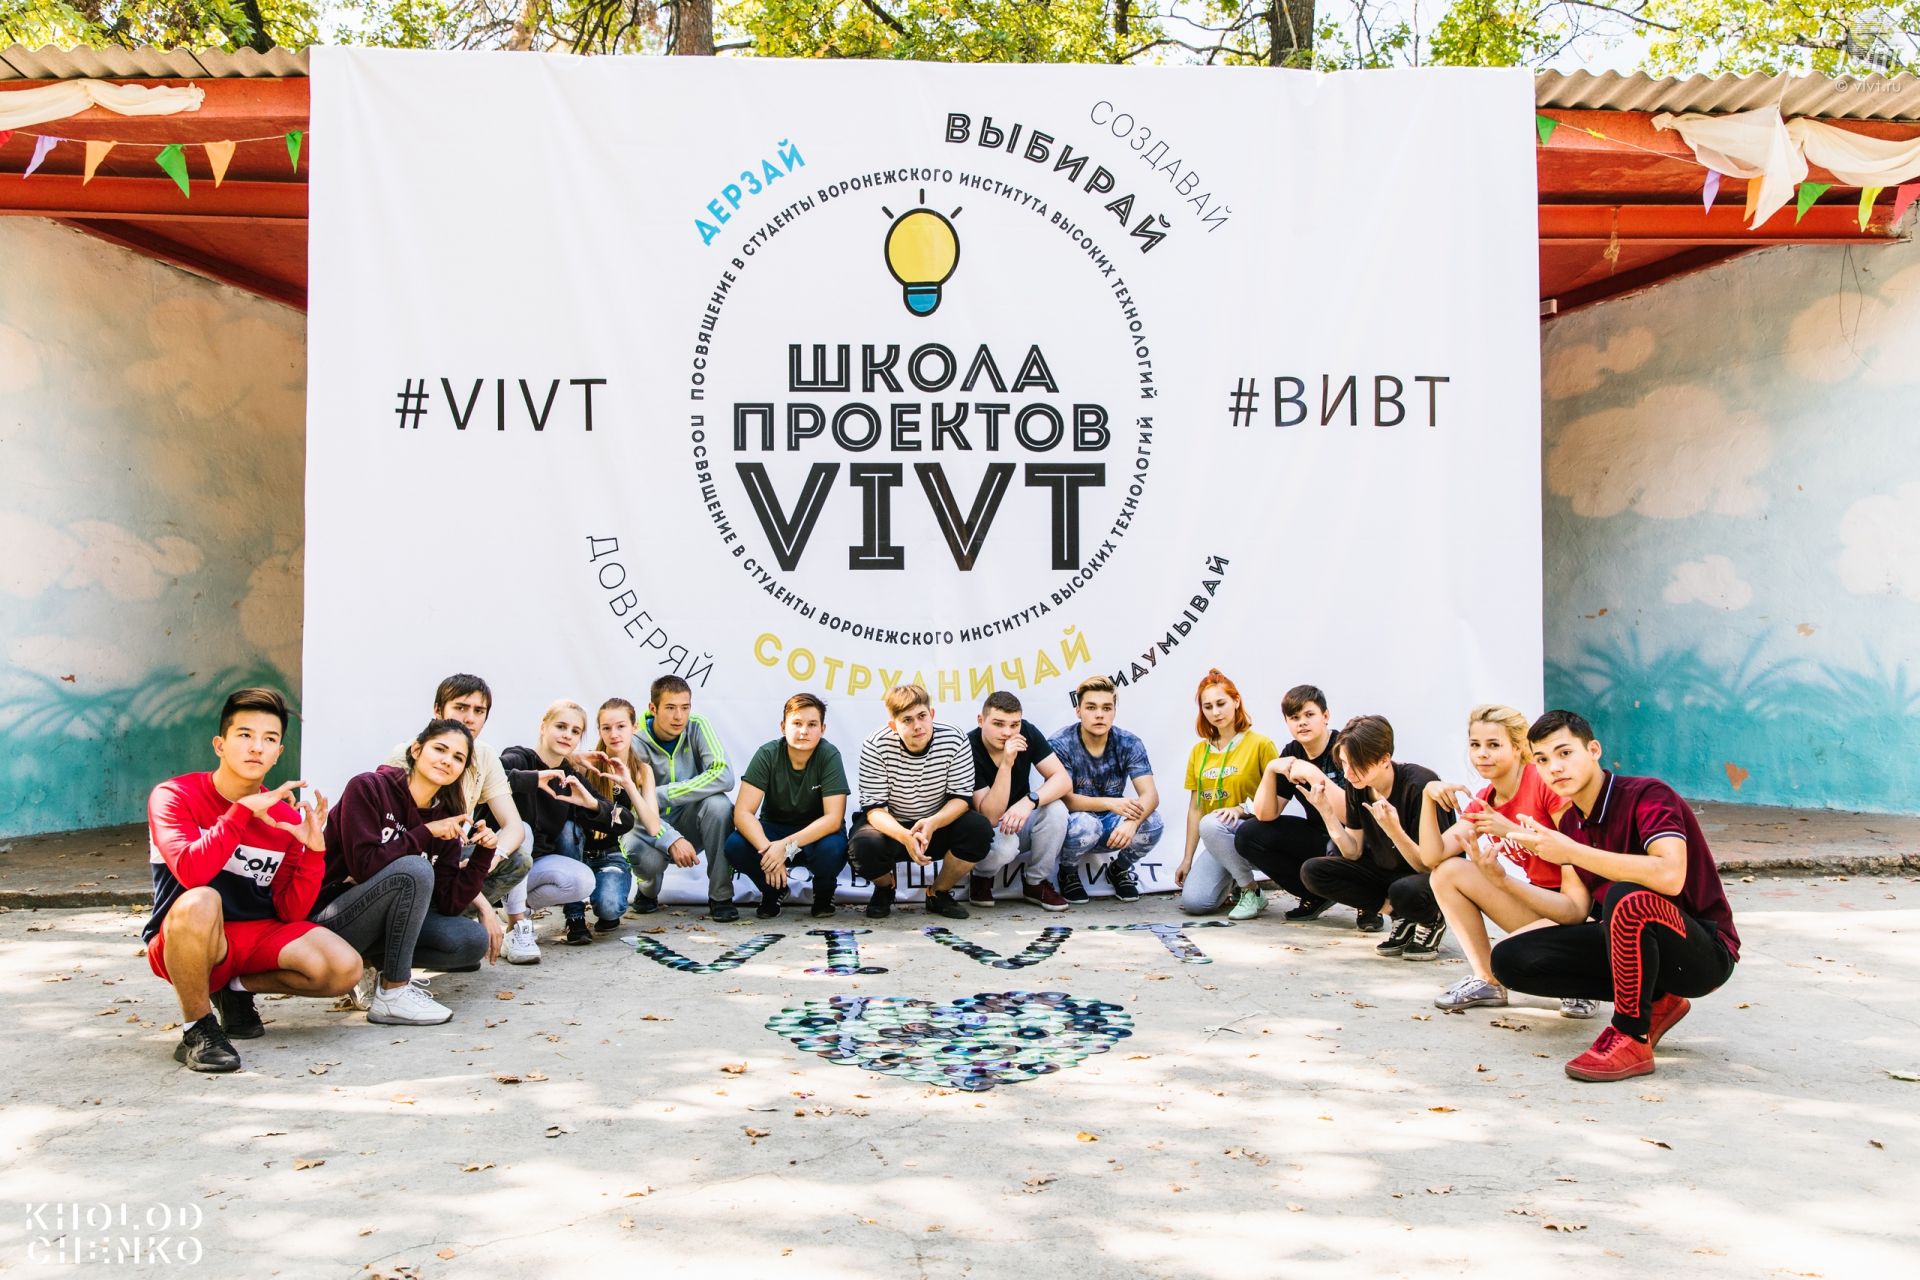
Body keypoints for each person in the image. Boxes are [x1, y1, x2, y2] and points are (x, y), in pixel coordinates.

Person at [1493, 711, 1742, 1082]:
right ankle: (1658, 1002)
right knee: (1511, 958)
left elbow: (1670, 875)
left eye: (1565, 753)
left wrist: (1572, 852)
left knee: (1627, 897)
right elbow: (1574, 910)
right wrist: (1501, 881)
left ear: (1593, 750)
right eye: (1542, 760)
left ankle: (1631, 1035)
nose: (1554, 767)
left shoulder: (1648, 795)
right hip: (1632, 941)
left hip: (1702, 953)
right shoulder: (1571, 824)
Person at [143, 688, 361, 1072]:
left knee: (344, 967)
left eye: (270, 739)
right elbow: (192, 872)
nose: (257, 747)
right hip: (186, 938)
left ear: (278, 753)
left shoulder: (286, 818)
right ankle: (198, 1029)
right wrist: (240, 812)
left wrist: (313, 852)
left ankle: (234, 989)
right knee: (201, 900)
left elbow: (290, 912)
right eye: (245, 735)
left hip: (251, 937)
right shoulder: (174, 795)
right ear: (220, 745)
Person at [315, 719, 504, 1025]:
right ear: (416, 750)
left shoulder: (446, 816)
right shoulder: (368, 788)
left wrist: (484, 853)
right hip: (330, 919)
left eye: (458, 758)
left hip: (382, 925)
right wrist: (425, 832)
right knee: (415, 868)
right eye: (440, 749)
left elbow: (450, 903)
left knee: (470, 940)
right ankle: (394, 992)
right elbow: (364, 867)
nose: (448, 760)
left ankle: (371, 967)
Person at [1412, 705, 1595, 1017]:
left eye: (1494, 745)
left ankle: (1581, 983)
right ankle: (1487, 981)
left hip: (1581, 909)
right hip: (1541, 903)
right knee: (1446, 873)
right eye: (1475, 745)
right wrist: (1428, 798)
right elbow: (1431, 857)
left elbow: (1575, 853)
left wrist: (1509, 829)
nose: (1482, 754)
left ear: (1518, 747)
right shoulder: (1487, 799)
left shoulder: (1544, 783)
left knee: (1511, 954)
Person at [1297, 715, 1446, 955]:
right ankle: (1400, 915)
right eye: (1344, 763)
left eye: (1357, 764)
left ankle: (1431, 919)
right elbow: (1352, 851)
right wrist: (1326, 812)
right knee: (1313, 871)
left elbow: (1428, 864)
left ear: (1384, 759)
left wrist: (1394, 830)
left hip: (1431, 876)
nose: (1348, 773)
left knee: (1403, 890)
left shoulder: (1420, 785)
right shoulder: (1358, 785)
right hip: (1389, 871)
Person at [385, 673, 530, 917]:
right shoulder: (408, 754)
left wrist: (490, 859)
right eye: (460, 707)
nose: (470, 718)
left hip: (451, 855)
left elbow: (514, 826)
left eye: (479, 711)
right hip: (409, 856)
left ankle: (449, 921)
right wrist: (483, 904)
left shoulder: (484, 755)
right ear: (437, 710)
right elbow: (391, 837)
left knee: (518, 860)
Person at [849, 683, 994, 920]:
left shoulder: (955, 738)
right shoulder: (875, 745)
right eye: (907, 720)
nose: (917, 725)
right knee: (862, 846)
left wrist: (932, 823)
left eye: (922, 716)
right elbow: (875, 809)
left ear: (932, 714)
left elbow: (961, 799)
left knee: (979, 830)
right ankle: (885, 888)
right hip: (893, 824)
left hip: (938, 822)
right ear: (893, 725)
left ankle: (938, 892)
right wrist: (905, 836)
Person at [500, 701, 628, 953]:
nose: (567, 735)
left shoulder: (569, 778)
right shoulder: (520, 758)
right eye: (561, 726)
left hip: (535, 868)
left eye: (575, 731)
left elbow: (624, 820)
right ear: (543, 727)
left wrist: (593, 805)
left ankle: (517, 909)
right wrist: (533, 779)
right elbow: (489, 775)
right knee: (523, 831)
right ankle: (516, 928)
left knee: (582, 881)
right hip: (500, 862)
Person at [623, 676, 740, 922]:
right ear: (653, 709)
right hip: (648, 828)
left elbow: (724, 775)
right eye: (670, 707)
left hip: (690, 820)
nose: (679, 716)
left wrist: (663, 795)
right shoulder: (634, 740)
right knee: (636, 849)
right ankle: (648, 890)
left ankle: (720, 896)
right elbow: (633, 806)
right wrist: (671, 838)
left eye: (685, 707)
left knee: (719, 805)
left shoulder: (697, 726)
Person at [724, 692, 851, 919]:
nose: (804, 731)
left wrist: (785, 847)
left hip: (815, 835)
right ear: (783, 727)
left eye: (812, 724)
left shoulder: (828, 755)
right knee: (735, 845)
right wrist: (769, 851)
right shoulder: (768, 754)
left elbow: (833, 819)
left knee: (833, 848)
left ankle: (823, 893)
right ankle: (773, 890)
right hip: (775, 830)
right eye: (797, 723)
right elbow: (743, 813)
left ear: (823, 729)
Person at [1047, 675, 1163, 904]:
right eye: (1091, 707)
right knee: (1086, 824)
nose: (1099, 714)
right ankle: (1068, 872)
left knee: (1153, 823)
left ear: (1114, 712)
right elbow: (1065, 799)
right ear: (1078, 711)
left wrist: (1132, 823)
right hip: (1074, 822)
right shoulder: (1061, 742)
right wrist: (1110, 802)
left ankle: (1118, 869)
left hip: (1112, 823)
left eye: (1106, 708)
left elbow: (1150, 795)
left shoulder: (1129, 743)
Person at [1233, 684, 1345, 921]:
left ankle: (1367, 905)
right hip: (1320, 835)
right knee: (1249, 835)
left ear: (1325, 716)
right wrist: (1271, 769)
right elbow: (1265, 814)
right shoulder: (1292, 752)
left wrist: (1313, 774)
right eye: (1294, 718)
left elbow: (1351, 814)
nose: (1302, 723)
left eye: (1309, 715)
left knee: (1355, 844)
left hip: (1357, 835)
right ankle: (1314, 894)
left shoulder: (1345, 748)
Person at [1175, 669, 1279, 919]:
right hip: (1218, 837)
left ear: (1236, 701)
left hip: (1255, 834)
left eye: (1221, 703)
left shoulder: (1260, 744)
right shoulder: (1198, 752)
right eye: (1208, 707)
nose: (1215, 712)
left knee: (1211, 823)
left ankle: (1250, 890)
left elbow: (1278, 797)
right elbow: (1196, 809)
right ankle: (1235, 881)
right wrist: (1187, 859)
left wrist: (1241, 809)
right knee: (1195, 903)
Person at [967, 691, 1072, 911]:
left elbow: (1063, 780)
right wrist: (1007, 764)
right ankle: (981, 877)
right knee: (1005, 845)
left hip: (1019, 820)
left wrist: (1029, 801)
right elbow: (990, 816)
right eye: (998, 724)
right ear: (981, 720)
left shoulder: (1027, 733)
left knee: (1056, 809)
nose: (1007, 732)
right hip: (986, 833)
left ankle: (1035, 883)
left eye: (1014, 725)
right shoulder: (968, 747)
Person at [581, 698, 663, 931]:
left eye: (621, 726)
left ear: (634, 727)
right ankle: (574, 913)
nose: (614, 734)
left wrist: (629, 785)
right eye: (606, 728)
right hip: (576, 851)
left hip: (609, 854)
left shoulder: (642, 770)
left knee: (609, 907)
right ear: (599, 731)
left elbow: (653, 827)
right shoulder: (587, 763)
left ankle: (605, 893)